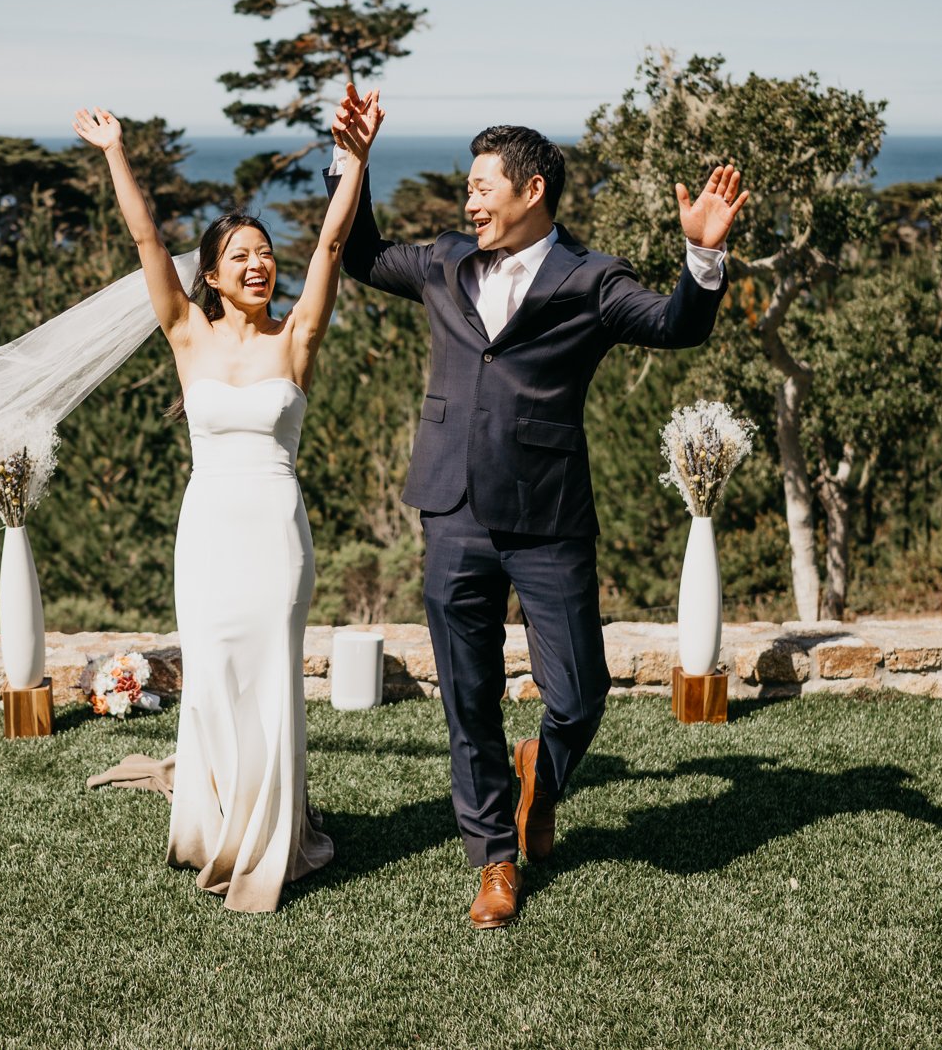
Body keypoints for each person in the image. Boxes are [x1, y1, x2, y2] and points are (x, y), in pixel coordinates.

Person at [326, 84, 749, 929]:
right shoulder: (444, 260)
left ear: (532, 192)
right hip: (450, 511)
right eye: (469, 186)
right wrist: (355, 160)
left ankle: (544, 776)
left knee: (580, 694)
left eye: (484, 186)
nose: (469, 199)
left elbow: (675, 327)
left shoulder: (591, 280)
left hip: (549, 518)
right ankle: (494, 860)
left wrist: (700, 259)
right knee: (467, 699)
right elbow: (361, 254)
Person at [73, 93, 381, 913]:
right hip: (207, 534)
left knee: (270, 680)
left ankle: (274, 834)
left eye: (263, 252)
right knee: (212, 677)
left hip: (278, 537)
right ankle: (213, 822)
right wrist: (115, 153)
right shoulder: (185, 334)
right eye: (239, 255)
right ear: (208, 274)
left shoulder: (297, 339)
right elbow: (144, 237)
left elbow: (332, 242)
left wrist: (356, 161)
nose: (258, 263)